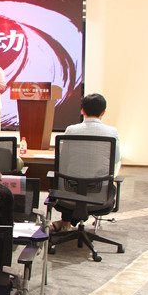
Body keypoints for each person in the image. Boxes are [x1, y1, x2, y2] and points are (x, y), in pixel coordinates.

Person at [51, 93, 120, 232]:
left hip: (69, 193)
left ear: (82, 110)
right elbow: (116, 159)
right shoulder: (111, 132)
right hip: (100, 195)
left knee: (69, 179)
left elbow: (64, 158)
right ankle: (69, 222)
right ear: (103, 112)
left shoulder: (71, 130)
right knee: (107, 186)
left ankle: (66, 222)